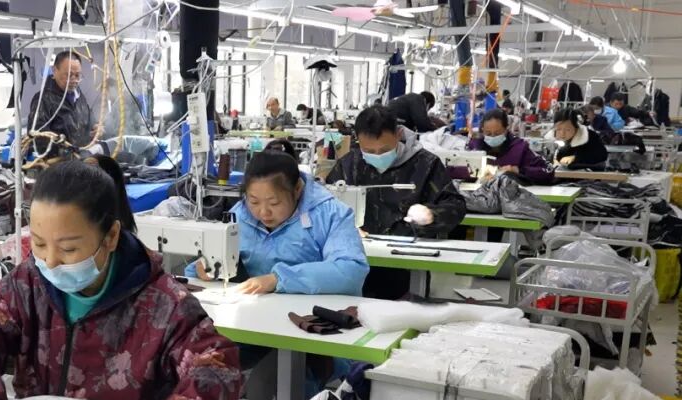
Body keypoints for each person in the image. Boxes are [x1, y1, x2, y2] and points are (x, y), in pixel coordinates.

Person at [0, 160, 241, 400]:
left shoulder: (164, 304)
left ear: (110, 237)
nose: (51, 262)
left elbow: (217, 363)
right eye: (40, 245)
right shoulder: (27, 285)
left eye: (68, 249)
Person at [326, 106, 466, 299]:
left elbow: (455, 205)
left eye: (384, 150)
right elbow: (326, 203)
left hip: (407, 264)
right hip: (355, 260)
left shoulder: (425, 165)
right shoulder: (350, 164)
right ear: (358, 139)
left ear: (398, 134)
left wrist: (431, 214)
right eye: (369, 150)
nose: (377, 155)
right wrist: (342, 227)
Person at [190, 151, 368, 296]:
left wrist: (278, 279)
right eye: (254, 201)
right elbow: (213, 260)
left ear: (297, 189)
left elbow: (350, 271)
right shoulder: (240, 214)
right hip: (260, 312)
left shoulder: (330, 214)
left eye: (274, 203)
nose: (263, 212)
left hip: (316, 315)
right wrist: (204, 268)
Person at [28, 50, 98, 148]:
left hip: (83, 152)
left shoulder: (78, 95)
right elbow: (38, 139)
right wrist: (66, 149)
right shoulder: (43, 100)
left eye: (77, 75)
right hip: (58, 156)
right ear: (54, 71)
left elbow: (89, 116)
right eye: (69, 75)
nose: (74, 80)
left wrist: (95, 126)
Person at [467, 109, 554, 184]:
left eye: (497, 133)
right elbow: (461, 170)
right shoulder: (475, 146)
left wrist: (518, 170)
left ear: (506, 129)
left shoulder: (519, 148)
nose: (492, 136)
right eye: (488, 133)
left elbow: (548, 171)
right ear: (482, 130)